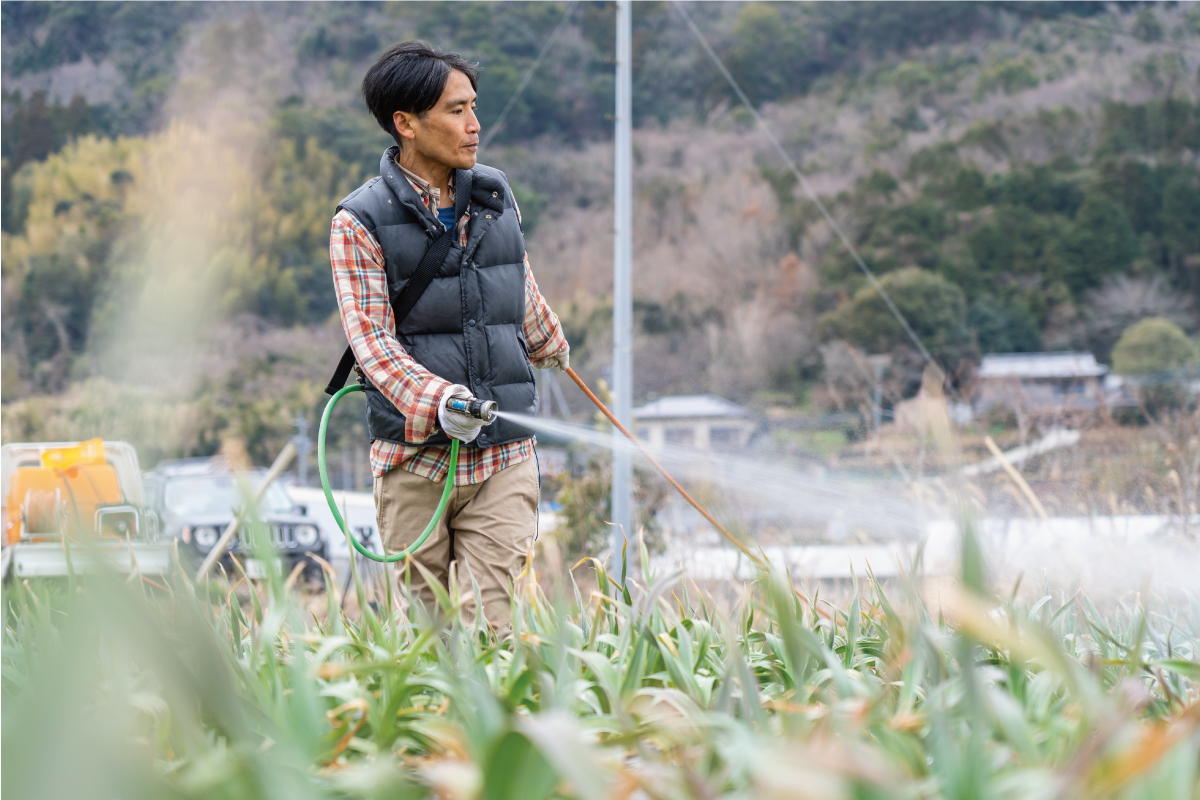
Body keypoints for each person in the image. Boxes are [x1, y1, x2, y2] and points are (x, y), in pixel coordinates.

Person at [329, 41, 569, 634]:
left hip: (504, 452)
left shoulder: (494, 193)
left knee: (496, 628)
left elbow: (517, 285)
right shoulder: (357, 221)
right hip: (415, 460)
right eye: (456, 111)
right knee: (429, 638)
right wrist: (439, 400)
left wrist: (548, 340)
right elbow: (372, 345)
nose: (474, 125)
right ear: (406, 124)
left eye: (474, 107)